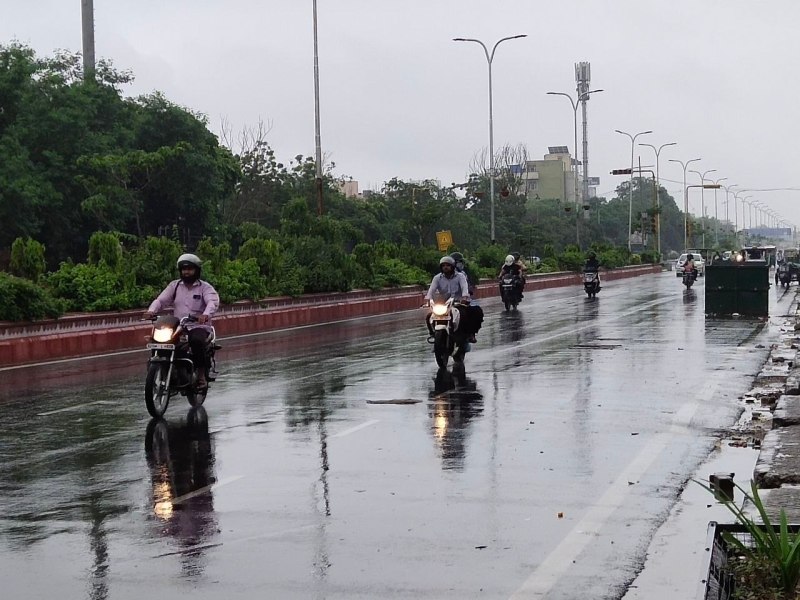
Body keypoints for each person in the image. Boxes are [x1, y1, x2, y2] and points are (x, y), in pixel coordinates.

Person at [143, 253, 220, 389]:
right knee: (157, 340)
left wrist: (205, 315)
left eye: (190, 269)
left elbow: (212, 302)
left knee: (196, 341)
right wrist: (151, 311)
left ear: (197, 270)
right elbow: (161, 300)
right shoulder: (175, 286)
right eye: (184, 269)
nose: (186, 272)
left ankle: (201, 376)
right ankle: (161, 369)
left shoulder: (205, 288)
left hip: (198, 326)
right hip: (178, 326)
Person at [425, 256, 481, 343]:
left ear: (453, 266)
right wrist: (429, 299)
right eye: (443, 265)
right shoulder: (437, 278)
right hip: (443, 304)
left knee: (472, 313)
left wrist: (464, 297)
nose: (445, 267)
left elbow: (464, 287)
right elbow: (431, 290)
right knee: (429, 316)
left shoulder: (460, 276)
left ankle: (470, 334)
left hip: (458, 303)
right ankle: (433, 334)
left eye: (448, 265)